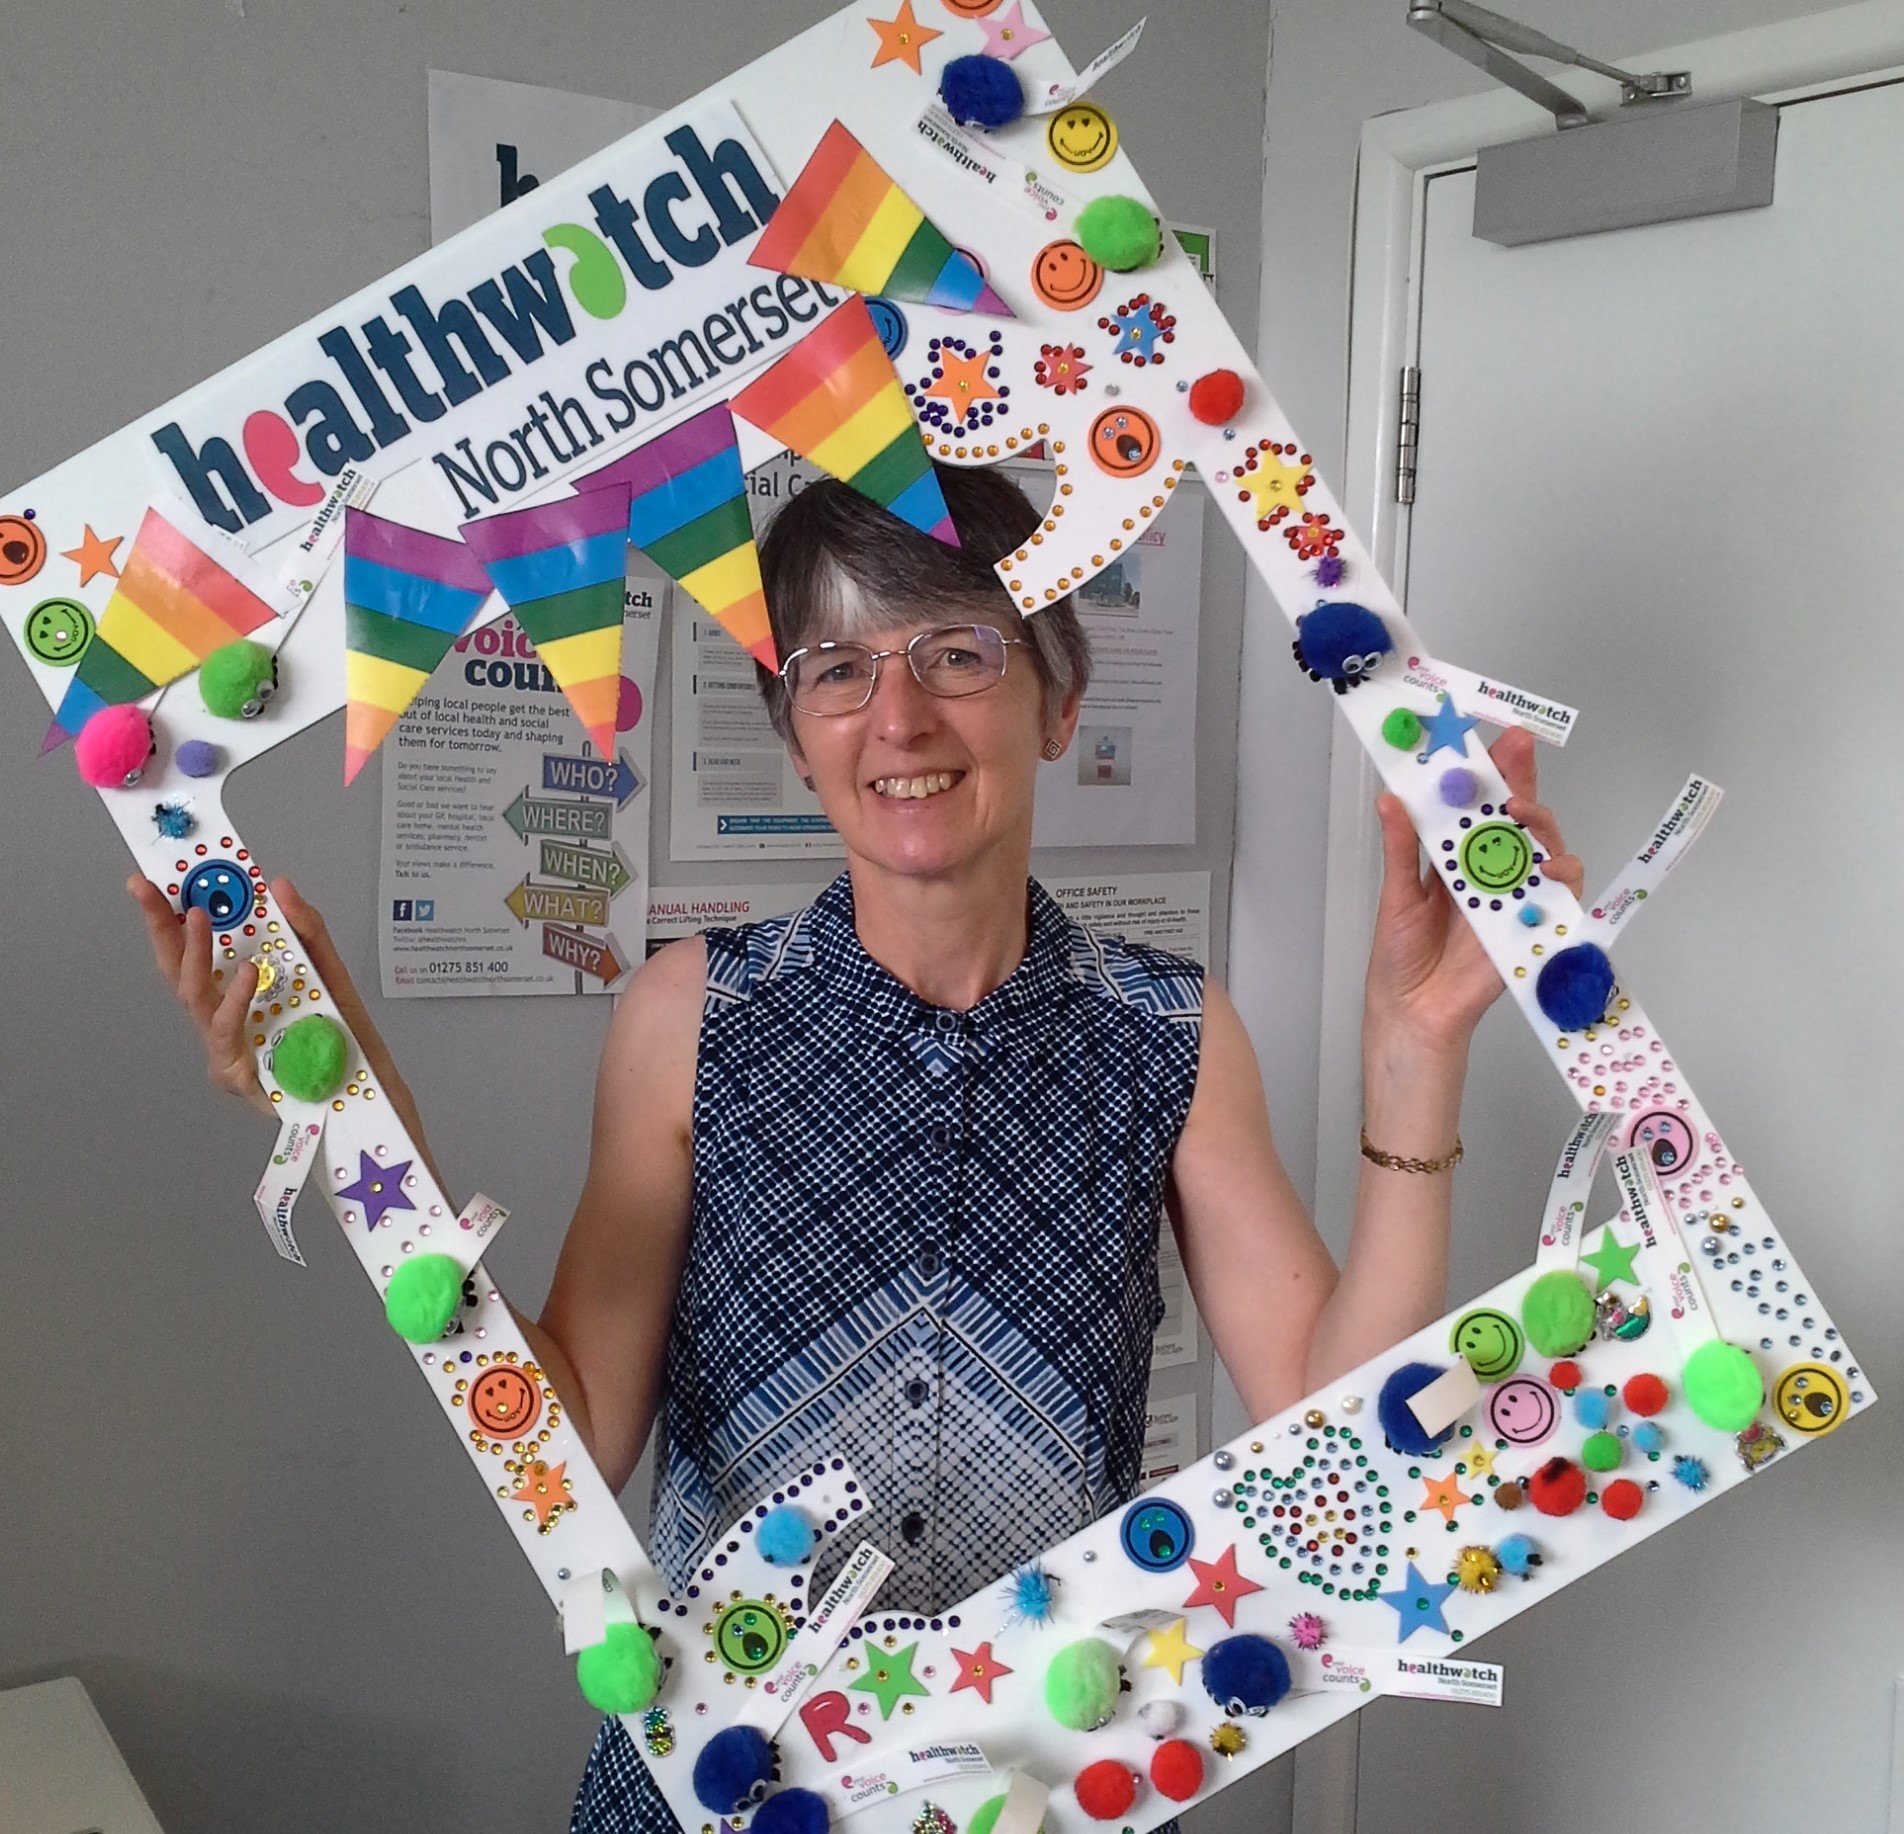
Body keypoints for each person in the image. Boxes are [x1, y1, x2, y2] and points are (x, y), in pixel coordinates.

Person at [132, 464, 1580, 1831]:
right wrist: (365, 1126)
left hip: (1043, 1775)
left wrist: (1416, 1058)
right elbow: (574, 1437)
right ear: (795, 730)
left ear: (1060, 698)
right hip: (721, 1777)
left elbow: (1344, 1432)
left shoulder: (1170, 1029)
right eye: (836, 669)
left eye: (957, 652)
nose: (898, 718)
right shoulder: (690, 1014)